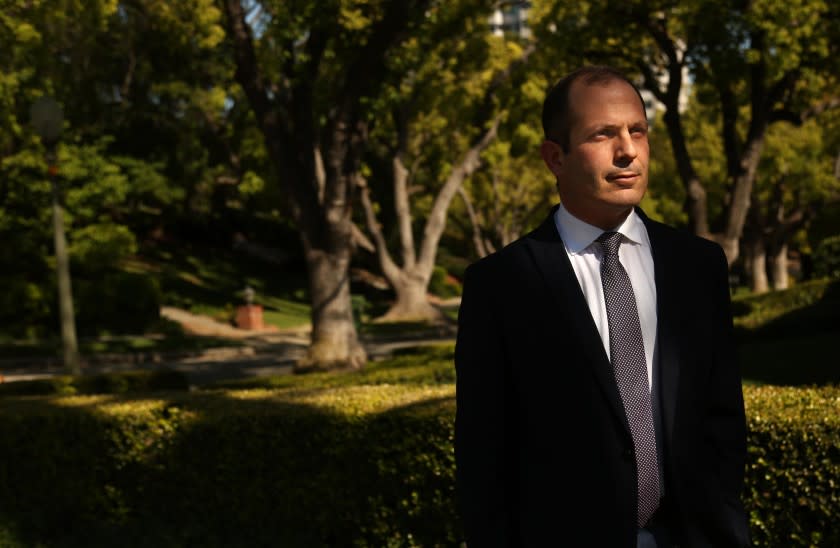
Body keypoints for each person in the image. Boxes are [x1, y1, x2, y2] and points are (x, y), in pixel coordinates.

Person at [454, 66, 750, 547]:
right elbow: (483, 457)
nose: (628, 150)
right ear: (555, 158)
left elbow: (723, 422)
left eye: (638, 131)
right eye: (603, 134)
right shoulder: (500, 284)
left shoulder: (698, 266)